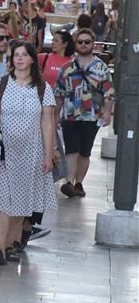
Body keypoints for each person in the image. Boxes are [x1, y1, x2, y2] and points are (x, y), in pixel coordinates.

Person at [0, 41, 57, 266]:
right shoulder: (1, 84)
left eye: (24, 55)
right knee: (0, 198)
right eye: (16, 55)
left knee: (22, 198)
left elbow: (47, 123)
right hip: (6, 150)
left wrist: (48, 154)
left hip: (31, 151)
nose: (19, 58)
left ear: (32, 59)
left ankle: (11, 244)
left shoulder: (43, 88)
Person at [54, 28, 115, 199]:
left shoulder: (101, 68)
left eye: (87, 42)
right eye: (80, 42)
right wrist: (56, 115)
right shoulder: (67, 67)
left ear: (93, 44)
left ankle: (78, 182)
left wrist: (107, 113)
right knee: (72, 149)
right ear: (75, 44)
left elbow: (109, 93)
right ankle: (69, 182)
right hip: (70, 115)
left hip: (93, 116)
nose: (83, 45)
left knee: (85, 152)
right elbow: (58, 94)